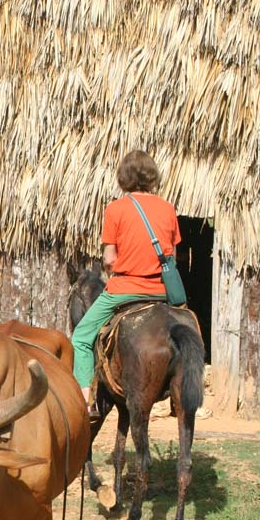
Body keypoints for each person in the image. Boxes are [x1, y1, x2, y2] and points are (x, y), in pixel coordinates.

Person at [71, 150, 181, 415]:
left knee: (81, 338)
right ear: (152, 175)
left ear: (124, 178)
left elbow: (109, 259)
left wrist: (121, 266)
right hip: (161, 293)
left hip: (123, 291)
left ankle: (85, 402)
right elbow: (171, 257)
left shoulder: (116, 209)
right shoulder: (167, 209)